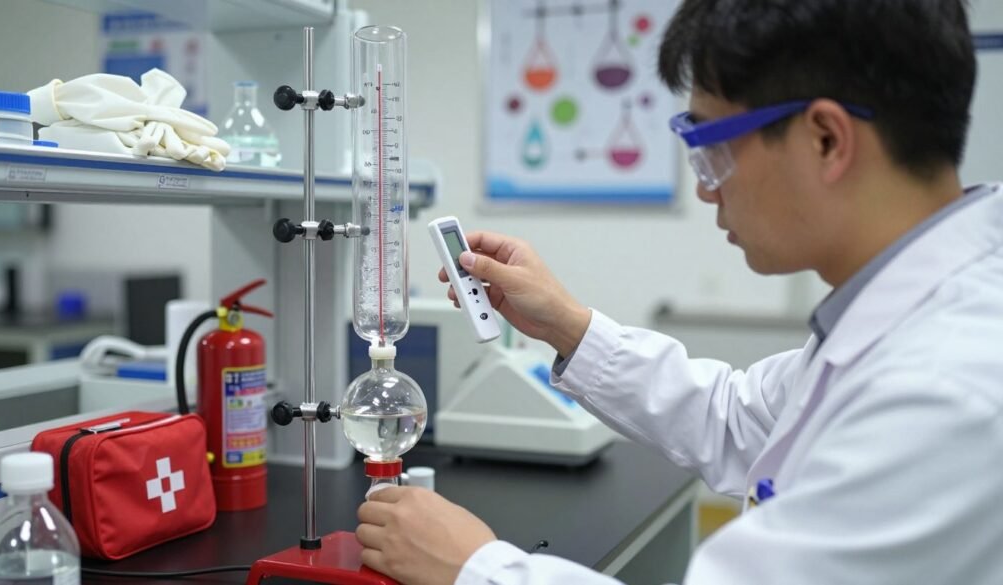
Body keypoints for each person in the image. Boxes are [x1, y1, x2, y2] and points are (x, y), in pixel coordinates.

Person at [356, 0, 1003, 583]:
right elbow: (737, 414)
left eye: (709, 147)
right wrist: (567, 326)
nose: (704, 188)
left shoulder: (948, 386)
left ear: (826, 139)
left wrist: (476, 566)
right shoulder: (910, 311)